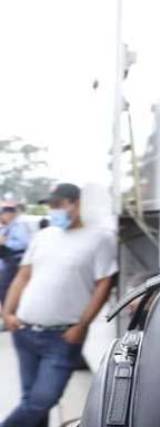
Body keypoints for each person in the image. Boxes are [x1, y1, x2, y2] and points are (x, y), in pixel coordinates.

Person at [1, 183, 116, 427]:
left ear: (77, 204)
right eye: (51, 206)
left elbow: (104, 285)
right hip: (25, 331)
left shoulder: (99, 239)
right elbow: (23, 276)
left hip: (62, 337)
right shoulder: (43, 237)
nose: (54, 210)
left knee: (42, 400)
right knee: (31, 402)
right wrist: (7, 313)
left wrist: (82, 326)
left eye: (58, 205)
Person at [0, 203, 30, 309]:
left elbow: (24, 243)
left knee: (5, 288)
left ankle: (9, 312)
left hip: (14, 262)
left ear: (9, 214)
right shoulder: (6, 227)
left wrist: (6, 242)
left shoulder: (19, 226)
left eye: (2, 214)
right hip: (5, 261)